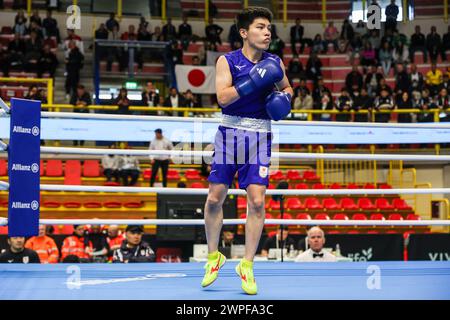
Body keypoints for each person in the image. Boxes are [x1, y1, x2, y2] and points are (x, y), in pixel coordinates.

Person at [201, 7, 293, 295]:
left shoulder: (275, 62)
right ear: (244, 32)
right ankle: (214, 255)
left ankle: (248, 265)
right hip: (229, 134)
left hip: (260, 136)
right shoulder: (227, 61)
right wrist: (255, 78)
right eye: (261, 27)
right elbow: (224, 98)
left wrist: (284, 100)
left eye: (269, 27)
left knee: (256, 201)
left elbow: (288, 89)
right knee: (216, 198)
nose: (267, 32)